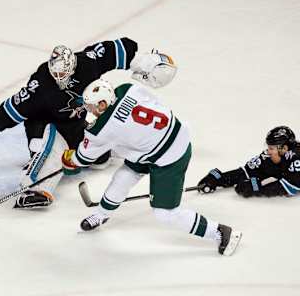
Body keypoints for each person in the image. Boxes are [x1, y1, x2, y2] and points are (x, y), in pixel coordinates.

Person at [0, 38, 168, 209]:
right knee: (50, 145)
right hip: (45, 126)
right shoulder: (40, 85)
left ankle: (148, 152)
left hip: (76, 124)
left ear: (72, 66)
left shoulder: (88, 63)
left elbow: (117, 49)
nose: (59, 78)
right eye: (56, 74)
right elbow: (15, 106)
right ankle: (36, 189)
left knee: (101, 155)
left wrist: (142, 62)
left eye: (63, 74)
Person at [61, 74, 242, 256]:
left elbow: (82, 159)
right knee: (123, 177)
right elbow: (156, 103)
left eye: (92, 107)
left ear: (102, 104)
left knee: (165, 213)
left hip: (171, 158)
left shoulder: (101, 129)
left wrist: (70, 160)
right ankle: (101, 214)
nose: (90, 111)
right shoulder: (127, 89)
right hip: (165, 137)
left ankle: (220, 232)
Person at [197, 126, 300, 198]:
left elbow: (289, 188)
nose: (268, 152)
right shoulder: (269, 156)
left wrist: (256, 188)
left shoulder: (297, 159)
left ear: (284, 148)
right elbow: (246, 172)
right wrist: (219, 179)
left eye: (271, 148)